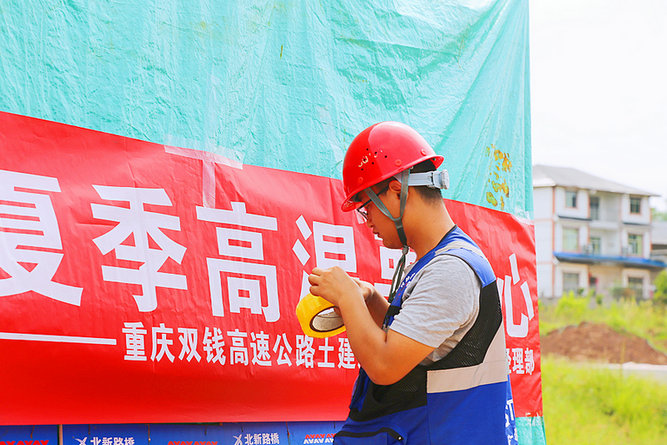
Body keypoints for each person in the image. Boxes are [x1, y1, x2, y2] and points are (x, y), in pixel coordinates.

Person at [308, 121, 517, 444]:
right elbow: (419, 343)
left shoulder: (450, 270)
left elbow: (385, 365)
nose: (368, 222)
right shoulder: (437, 261)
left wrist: (348, 298)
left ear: (396, 191)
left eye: (366, 207)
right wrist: (371, 300)